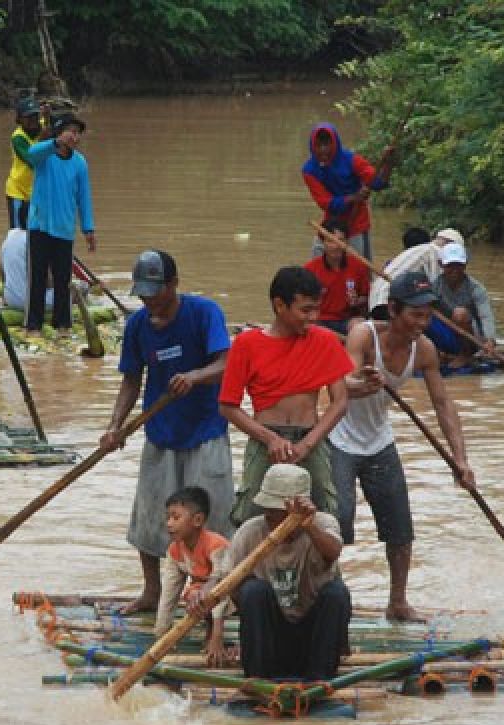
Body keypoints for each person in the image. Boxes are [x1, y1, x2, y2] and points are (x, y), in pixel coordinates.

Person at [329, 270, 474, 621]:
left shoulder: (424, 351)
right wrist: (362, 381)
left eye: (427, 315)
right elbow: (341, 386)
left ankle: (397, 602)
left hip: (379, 441)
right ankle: (330, 594)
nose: (422, 324)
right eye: (415, 315)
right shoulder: (364, 335)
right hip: (341, 439)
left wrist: (460, 460)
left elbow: (443, 404)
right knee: (337, 522)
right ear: (393, 309)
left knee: (400, 528)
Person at [101, 250, 233, 613]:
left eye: (155, 293)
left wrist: (194, 376)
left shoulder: (204, 313)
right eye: (143, 294)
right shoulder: (138, 326)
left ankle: (218, 593)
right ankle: (152, 592)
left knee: (214, 515)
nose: (149, 301)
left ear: (173, 285)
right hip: (160, 432)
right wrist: (115, 426)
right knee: (151, 516)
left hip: (205, 430)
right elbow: (131, 379)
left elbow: (225, 363)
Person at [219, 266, 353, 525]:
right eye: (305, 310)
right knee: (251, 517)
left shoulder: (324, 341)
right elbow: (227, 406)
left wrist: (308, 444)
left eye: (316, 309)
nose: (313, 317)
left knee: (325, 517)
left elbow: (340, 402)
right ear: (279, 305)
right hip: (265, 440)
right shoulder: (246, 345)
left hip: (311, 438)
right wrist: (269, 438)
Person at [217, 464, 351, 680]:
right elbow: (224, 581)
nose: (269, 517)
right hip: (269, 638)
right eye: (267, 511)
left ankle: (318, 679)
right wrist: (214, 629)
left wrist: (308, 526)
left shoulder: (323, 524)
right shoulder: (251, 531)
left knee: (337, 593)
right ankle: (258, 679)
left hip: (314, 639)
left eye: (277, 513)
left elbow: (333, 552)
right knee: (252, 590)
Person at [25, 112, 96, 335]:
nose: (75, 137)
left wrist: (88, 228)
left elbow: (84, 198)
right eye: (71, 132)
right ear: (59, 132)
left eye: (78, 133)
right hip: (40, 226)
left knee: (63, 279)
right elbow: (31, 154)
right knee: (37, 277)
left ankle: (62, 324)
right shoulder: (45, 155)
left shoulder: (79, 163)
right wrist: (54, 143)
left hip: (64, 230)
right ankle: (33, 324)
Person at [154, 487, 232, 667]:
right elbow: (169, 595)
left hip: (231, 593)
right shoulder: (174, 551)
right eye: (168, 517)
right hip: (206, 595)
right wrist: (162, 635)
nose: (169, 524)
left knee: (209, 591)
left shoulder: (216, 545)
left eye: (176, 517)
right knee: (193, 594)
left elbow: (222, 583)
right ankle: (209, 628)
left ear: (197, 520)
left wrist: (217, 637)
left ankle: (213, 633)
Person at [302, 123, 395, 262]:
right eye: (319, 145)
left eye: (327, 145)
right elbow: (326, 203)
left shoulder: (351, 160)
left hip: (356, 223)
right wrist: (353, 198)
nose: (323, 150)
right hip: (331, 223)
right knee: (316, 266)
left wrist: (388, 163)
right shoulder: (309, 170)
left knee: (359, 268)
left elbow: (378, 183)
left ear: (335, 144)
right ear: (312, 146)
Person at [429, 242, 498, 368]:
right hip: (447, 333)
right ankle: (437, 352)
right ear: (441, 264)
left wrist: (490, 340)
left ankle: (465, 355)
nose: (455, 270)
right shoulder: (434, 286)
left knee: (460, 313)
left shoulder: (476, 288)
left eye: (459, 265)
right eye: (450, 265)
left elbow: (486, 316)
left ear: (465, 265)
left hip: (471, 338)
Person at [368, 226, 464, 313]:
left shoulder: (421, 248)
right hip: (385, 302)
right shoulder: (435, 252)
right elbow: (437, 290)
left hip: (377, 298)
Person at [303, 218, 370, 336]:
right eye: (330, 241)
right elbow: (302, 302)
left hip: (347, 320)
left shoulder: (359, 266)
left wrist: (356, 301)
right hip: (319, 320)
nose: (336, 246)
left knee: (360, 325)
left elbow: (367, 297)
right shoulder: (310, 269)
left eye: (340, 240)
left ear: (347, 242)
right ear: (323, 243)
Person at [5, 96, 45, 230]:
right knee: (17, 232)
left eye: (35, 116)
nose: (33, 121)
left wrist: (50, 115)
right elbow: (32, 160)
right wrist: (46, 139)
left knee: (38, 231)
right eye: (28, 117)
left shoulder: (45, 126)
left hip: (36, 190)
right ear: (20, 119)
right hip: (17, 190)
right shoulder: (18, 137)